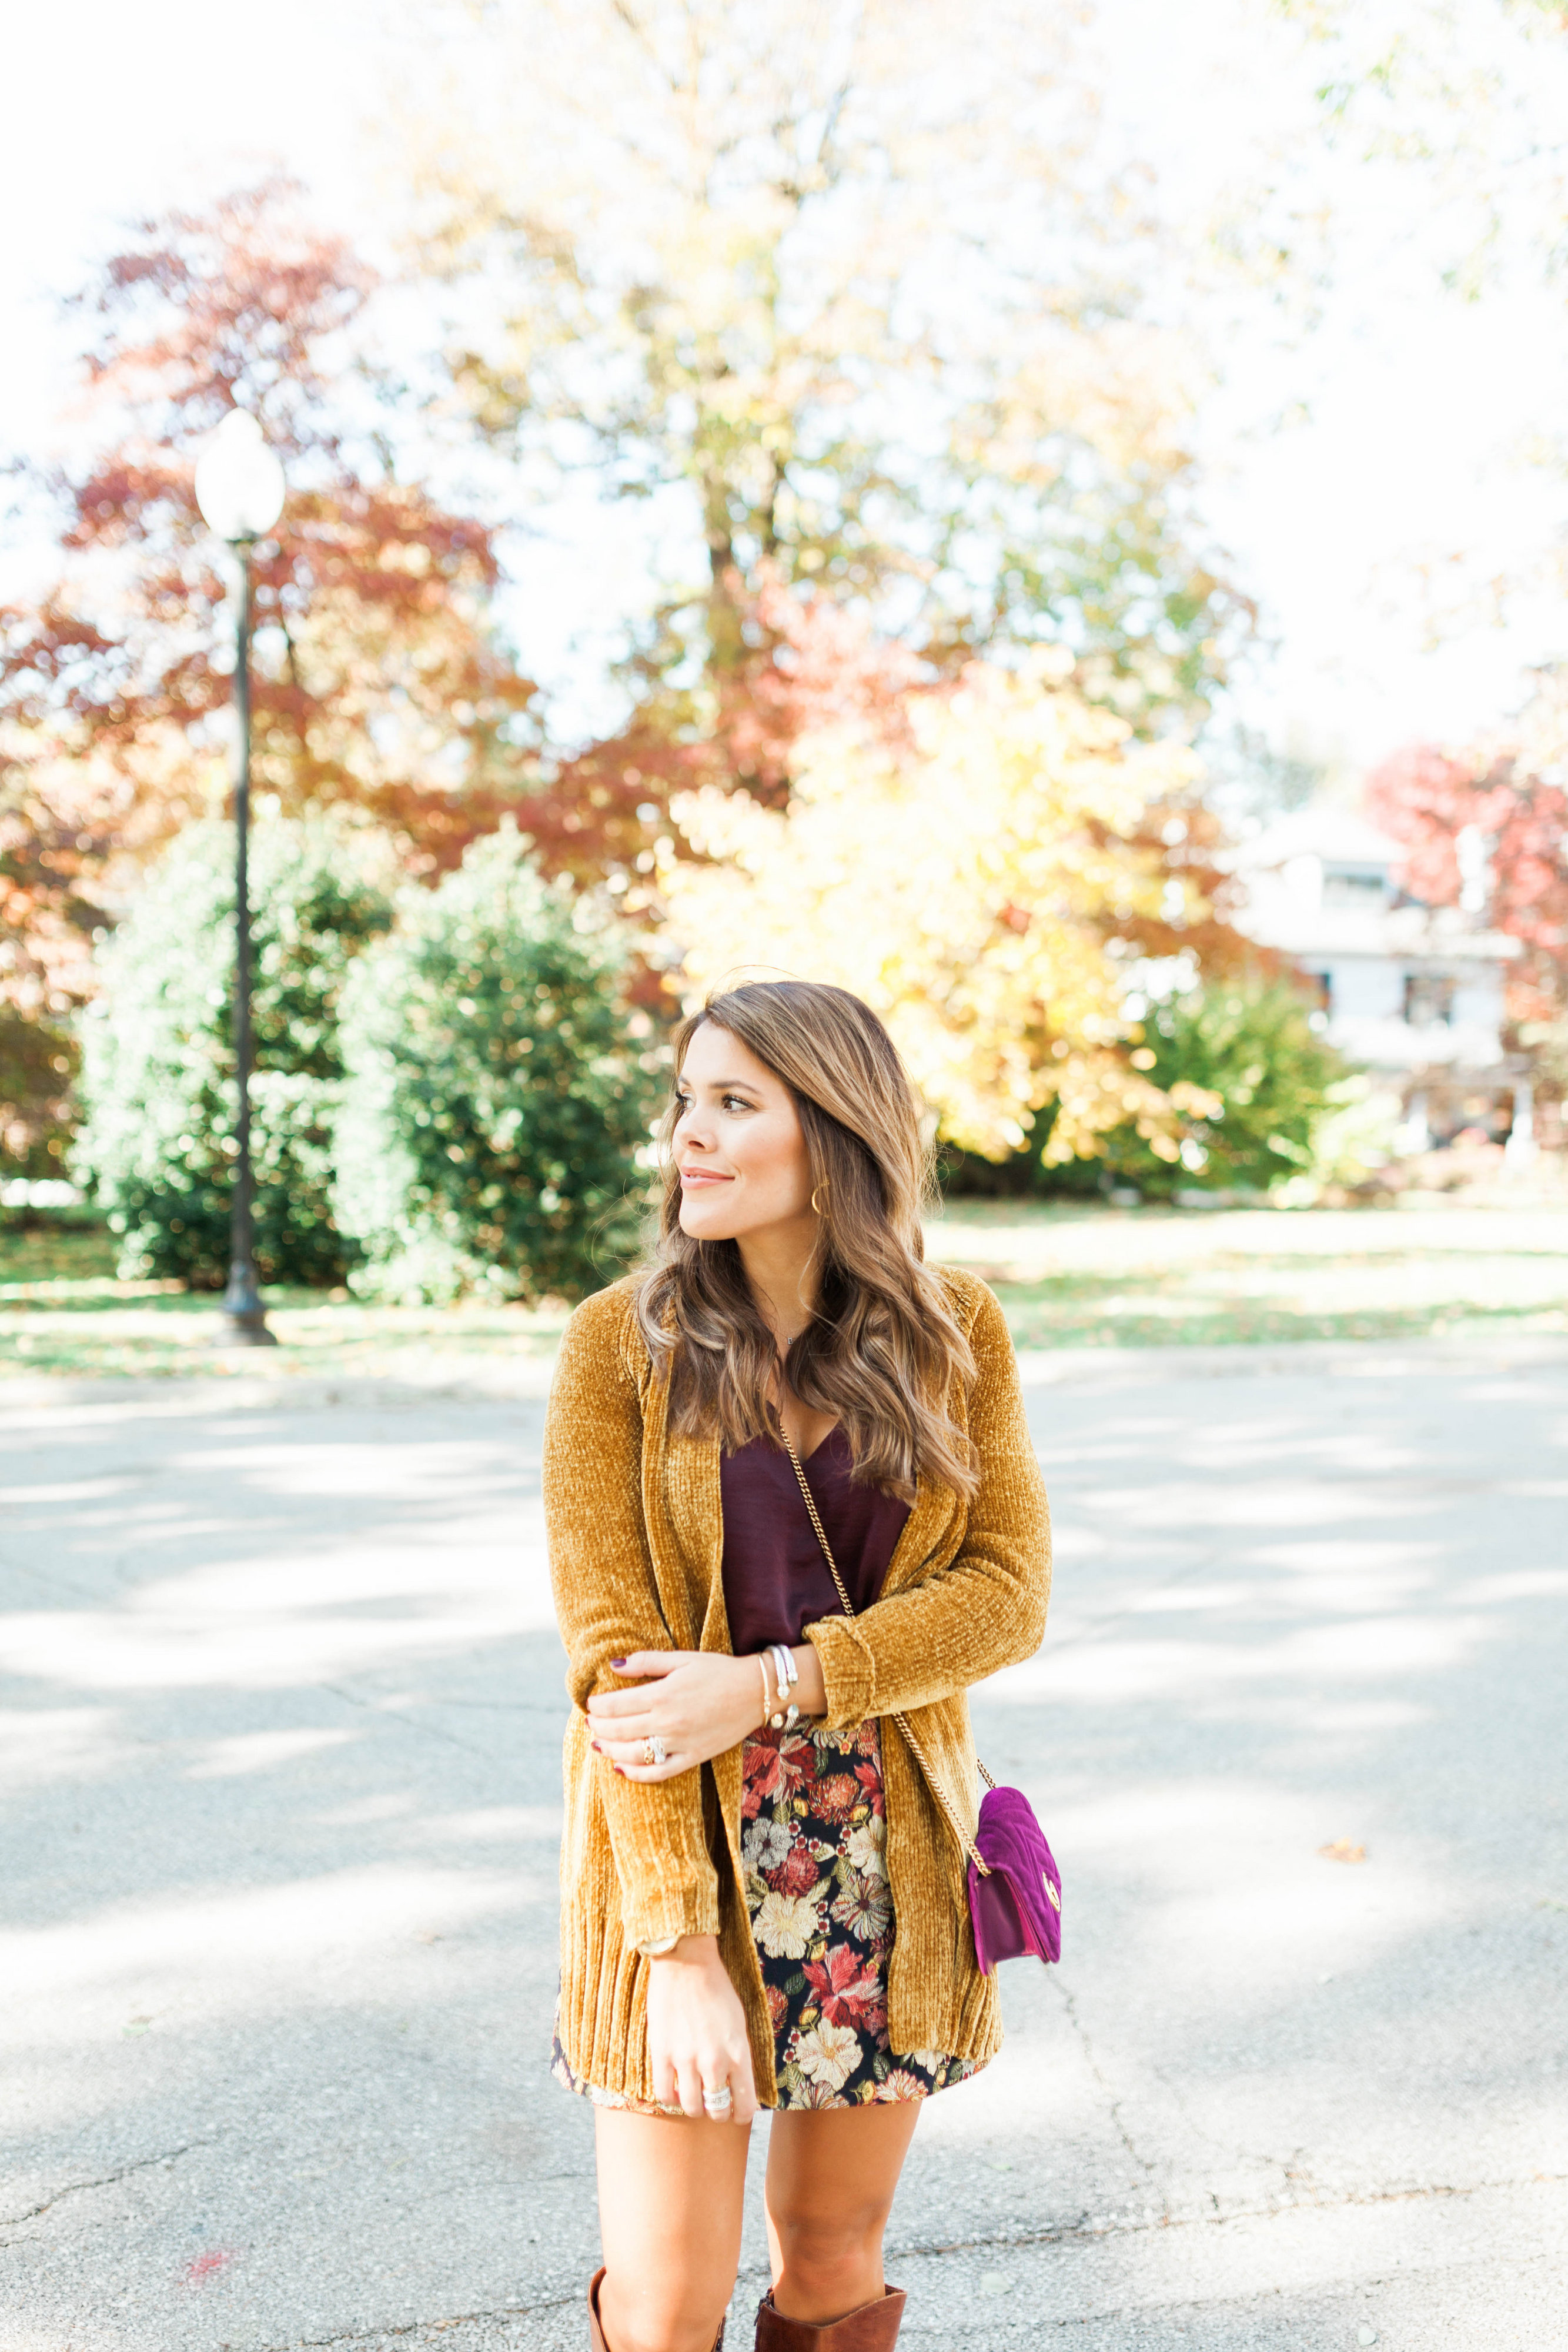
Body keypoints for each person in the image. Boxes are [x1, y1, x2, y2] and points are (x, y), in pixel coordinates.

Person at [543, 978, 1051, 2352]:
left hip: (875, 1852)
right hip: (680, 1852)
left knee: (831, 2261)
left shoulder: (951, 1330)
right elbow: (619, 1678)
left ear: (831, 1131)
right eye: (682, 1101)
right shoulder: (621, 1345)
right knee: (664, 2306)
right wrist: (676, 1946)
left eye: (730, 1102)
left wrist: (775, 1684)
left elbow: (1005, 1595)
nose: (683, 1138)